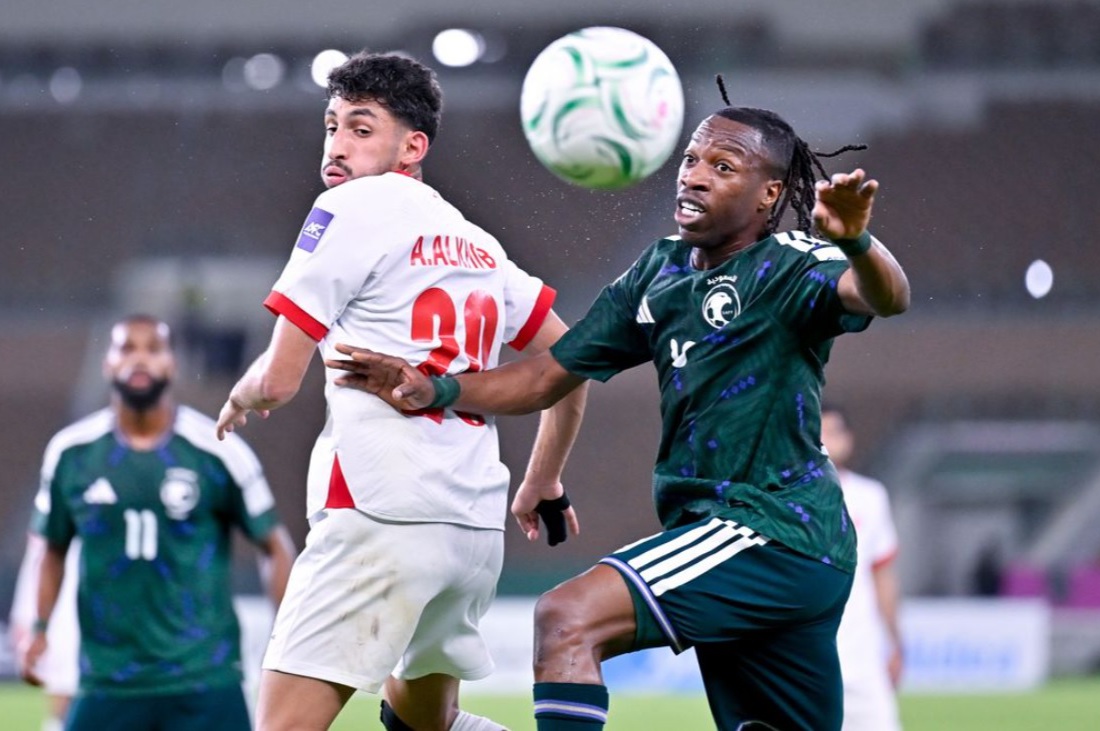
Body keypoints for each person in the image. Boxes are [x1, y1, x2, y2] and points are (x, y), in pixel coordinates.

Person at [325, 79, 911, 731]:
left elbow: (884, 296)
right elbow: (549, 373)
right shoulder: (660, 272)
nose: (695, 176)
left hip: (770, 527)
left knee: (567, 619)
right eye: (692, 159)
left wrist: (858, 241)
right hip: (741, 539)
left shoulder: (789, 263)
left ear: (769, 194)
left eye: (723, 167)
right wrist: (436, 388)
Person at [215, 51, 586, 731]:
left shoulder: (348, 207)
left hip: (379, 511)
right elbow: (572, 363)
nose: (336, 145)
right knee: (423, 725)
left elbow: (278, 380)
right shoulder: (479, 245)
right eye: (332, 126)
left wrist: (242, 395)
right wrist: (544, 479)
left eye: (361, 129)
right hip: (471, 528)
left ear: (413, 147)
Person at [18, 314, 295, 731]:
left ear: (173, 363)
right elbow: (51, 548)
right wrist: (38, 627)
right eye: (127, 348)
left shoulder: (216, 449)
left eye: (154, 348)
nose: (140, 359)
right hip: (108, 678)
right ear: (107, 362)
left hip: (205, 676)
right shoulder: (72, 454)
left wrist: (287, 636)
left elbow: (273, 545)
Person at [820, 404, 903, 731]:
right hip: (809, 658)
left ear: (849, 439)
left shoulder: (871, 496)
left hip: (863, 658)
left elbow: (882, 574)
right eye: (818, 433)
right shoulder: (784, 499)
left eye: (834, 432)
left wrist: (894, 639)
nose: (827, 441)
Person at [9, 535, 80, 731]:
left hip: (93, 619)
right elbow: (36, 562)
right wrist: (23, 616)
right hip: (61, 619)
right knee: (63, 691)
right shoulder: (53, 519)